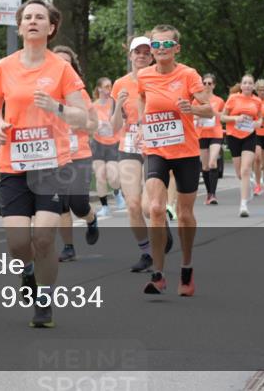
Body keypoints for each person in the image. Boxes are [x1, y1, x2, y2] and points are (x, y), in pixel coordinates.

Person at [0, 0, 90, 328]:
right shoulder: (5, 66)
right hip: (13, 163)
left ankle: (44, 301)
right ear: (19, 27)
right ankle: (28, 269)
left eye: (39, 17)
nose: (32, 21)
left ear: (51, 27)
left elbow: (83, 116)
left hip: (52, 164)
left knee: (44, 237)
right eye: (27, 17)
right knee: (18, 243)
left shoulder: (61, 68)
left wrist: (56, 107)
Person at [136, 25, 215, 295]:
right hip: (156, 149)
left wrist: (191, 108)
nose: (160, 50)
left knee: (184, 214)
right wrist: (140, 127)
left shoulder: (188, 74)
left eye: (166, 45)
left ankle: (187, 266)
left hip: (186, 152)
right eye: (155, 45)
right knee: (156, 208)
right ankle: (158, 274)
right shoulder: (144, 75)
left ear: (176, 48)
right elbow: (142, 101)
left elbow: (209, 108)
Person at [111, 36, 169, 273]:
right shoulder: (120, 84)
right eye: (138, 52)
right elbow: (114, 126)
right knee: (133, 205)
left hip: (156, 145)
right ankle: (146, 253)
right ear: (131, 55)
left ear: (152, 55)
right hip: (129, 146)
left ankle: (160, 223)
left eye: (147, 52)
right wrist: (118, 106)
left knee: (148, 207)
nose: (142, 55)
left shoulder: (161, 79)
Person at [51, 46, 100, 262]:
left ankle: (91, 219)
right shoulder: (45, 93)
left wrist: (73, 119)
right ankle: (68, 247)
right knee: (61, 202)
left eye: (67, 63)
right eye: (58, 61)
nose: (62, 66)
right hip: (54, 155)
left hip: (79, 153)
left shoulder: (80, 94)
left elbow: (92, 126)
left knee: (78, 204)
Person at [220, 74, 263, 217]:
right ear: (241, 85)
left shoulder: (257, 101)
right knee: (239, 173)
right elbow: (222, 117)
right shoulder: (233, 98)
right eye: (245, 83)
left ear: (253, 86)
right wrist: (235, 118)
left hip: (249, 136)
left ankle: (243, 204)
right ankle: (248, 187)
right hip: (233, 136)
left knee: (245, 170)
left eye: (250, 83)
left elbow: (260, 118)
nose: (248, 85)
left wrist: (258, 123)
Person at [91, 77, 122, 217]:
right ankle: (104, 207)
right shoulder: (93, 106)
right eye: (107, 86)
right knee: (100, 176)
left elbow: (122, 121)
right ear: (99, 89)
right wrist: (95, 127)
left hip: (113, 143)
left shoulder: (115, 103)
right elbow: (89, 125)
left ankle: (117, 192)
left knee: (113, 177)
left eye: (111, 86)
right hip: (98, 143)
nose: (109, 89)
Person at [195, 73, 225, 205]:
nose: (207, 85)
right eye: (205, 83)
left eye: (209, 83)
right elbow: (191, 115)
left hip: (215, 133)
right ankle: (208, 193)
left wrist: (214, 114)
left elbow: (223, 116)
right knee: (205, 166)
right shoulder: (196, 100)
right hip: (201, 134)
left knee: (213, 163)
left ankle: (213, 194)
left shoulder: (219, 101)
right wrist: (196, 118)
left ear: (214, 85)